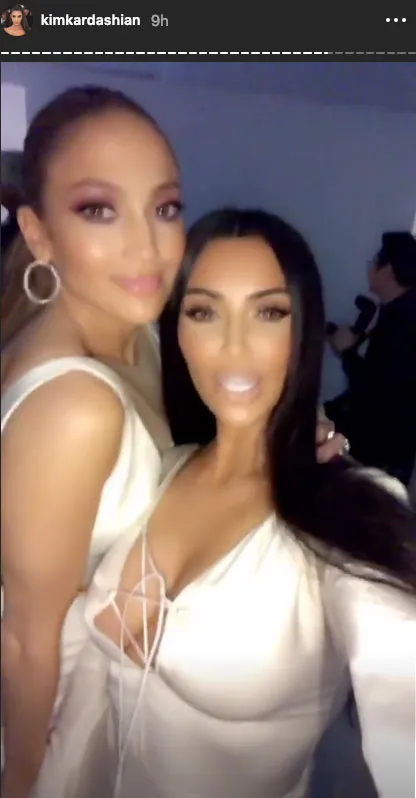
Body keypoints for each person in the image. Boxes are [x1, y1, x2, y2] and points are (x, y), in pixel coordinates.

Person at [0, 88, 346, 798]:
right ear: (38, 234)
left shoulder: (140, 335)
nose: (148, 246)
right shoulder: (75, 408)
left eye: (164, 208)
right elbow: (24, 644)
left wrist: (276, 439)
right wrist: (24, 780)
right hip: (58, 724)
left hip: (127, 708)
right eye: (99, 209)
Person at [45, 208, 415, 798]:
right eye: (204, 312)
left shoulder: (344, 510)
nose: (234, 346)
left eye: (268, 313)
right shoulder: (157, 470)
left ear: (302, 331)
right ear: (177, 330)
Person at [328, 231, 416, 485]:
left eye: (375, 262)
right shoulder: (397, 312)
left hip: (380, 453)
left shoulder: (402, 322)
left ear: (388, 269)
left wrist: (347, 352)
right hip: (384, 446)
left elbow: (379, 389)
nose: (370, 267)